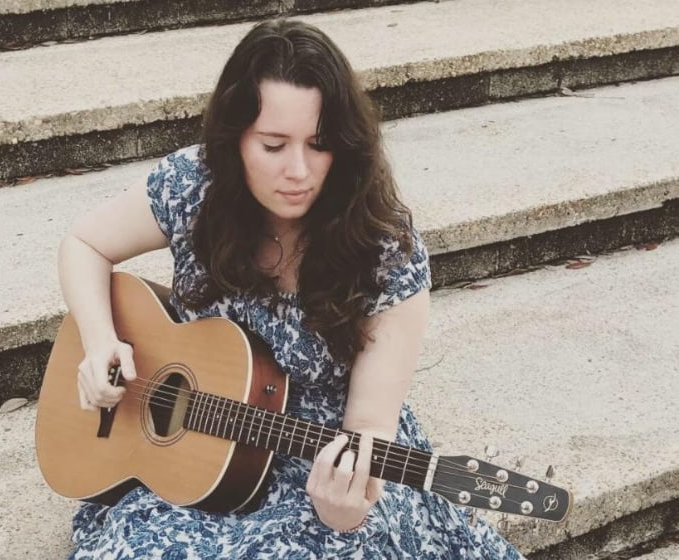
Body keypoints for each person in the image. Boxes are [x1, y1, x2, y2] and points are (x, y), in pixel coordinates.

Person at [57, 18, 524, 560]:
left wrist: (344, 506)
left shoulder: (384, 248)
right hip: (201, 452)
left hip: (324, 456)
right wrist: (99, 343)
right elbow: (84, 243)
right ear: (235, 140)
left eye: (319, 145)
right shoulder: (194, 185)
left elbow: (370, 427)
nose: (298, 171)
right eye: (274, 146)